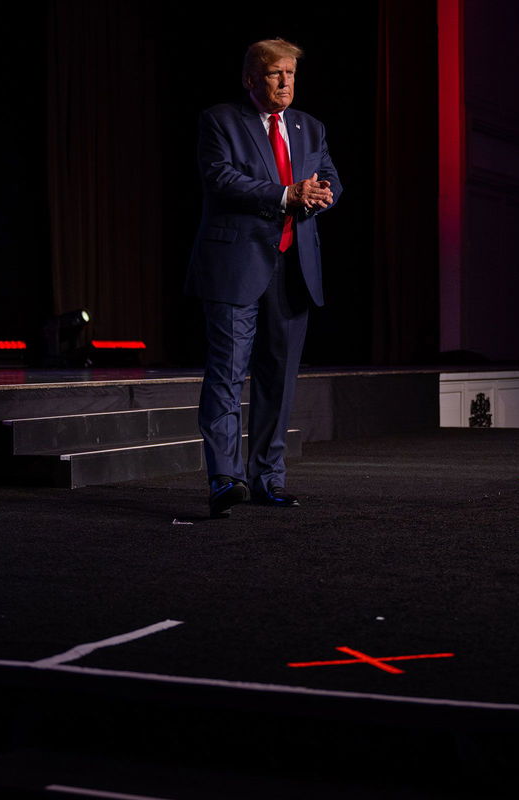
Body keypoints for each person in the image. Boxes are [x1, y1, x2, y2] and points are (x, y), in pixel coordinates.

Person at [186, 38, 341, 518]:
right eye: (276, 74)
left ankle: (268, 480)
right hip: (237, 267)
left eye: (291, 74)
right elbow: (221, 179)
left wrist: (323, 194)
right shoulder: (220, 121)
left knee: (279, 381)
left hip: (293, 271)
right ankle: (224, 480)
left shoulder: (309, 127)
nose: (285, 83)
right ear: (252, 78)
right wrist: (286, 195)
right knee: (227, 375)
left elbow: (331, 177)